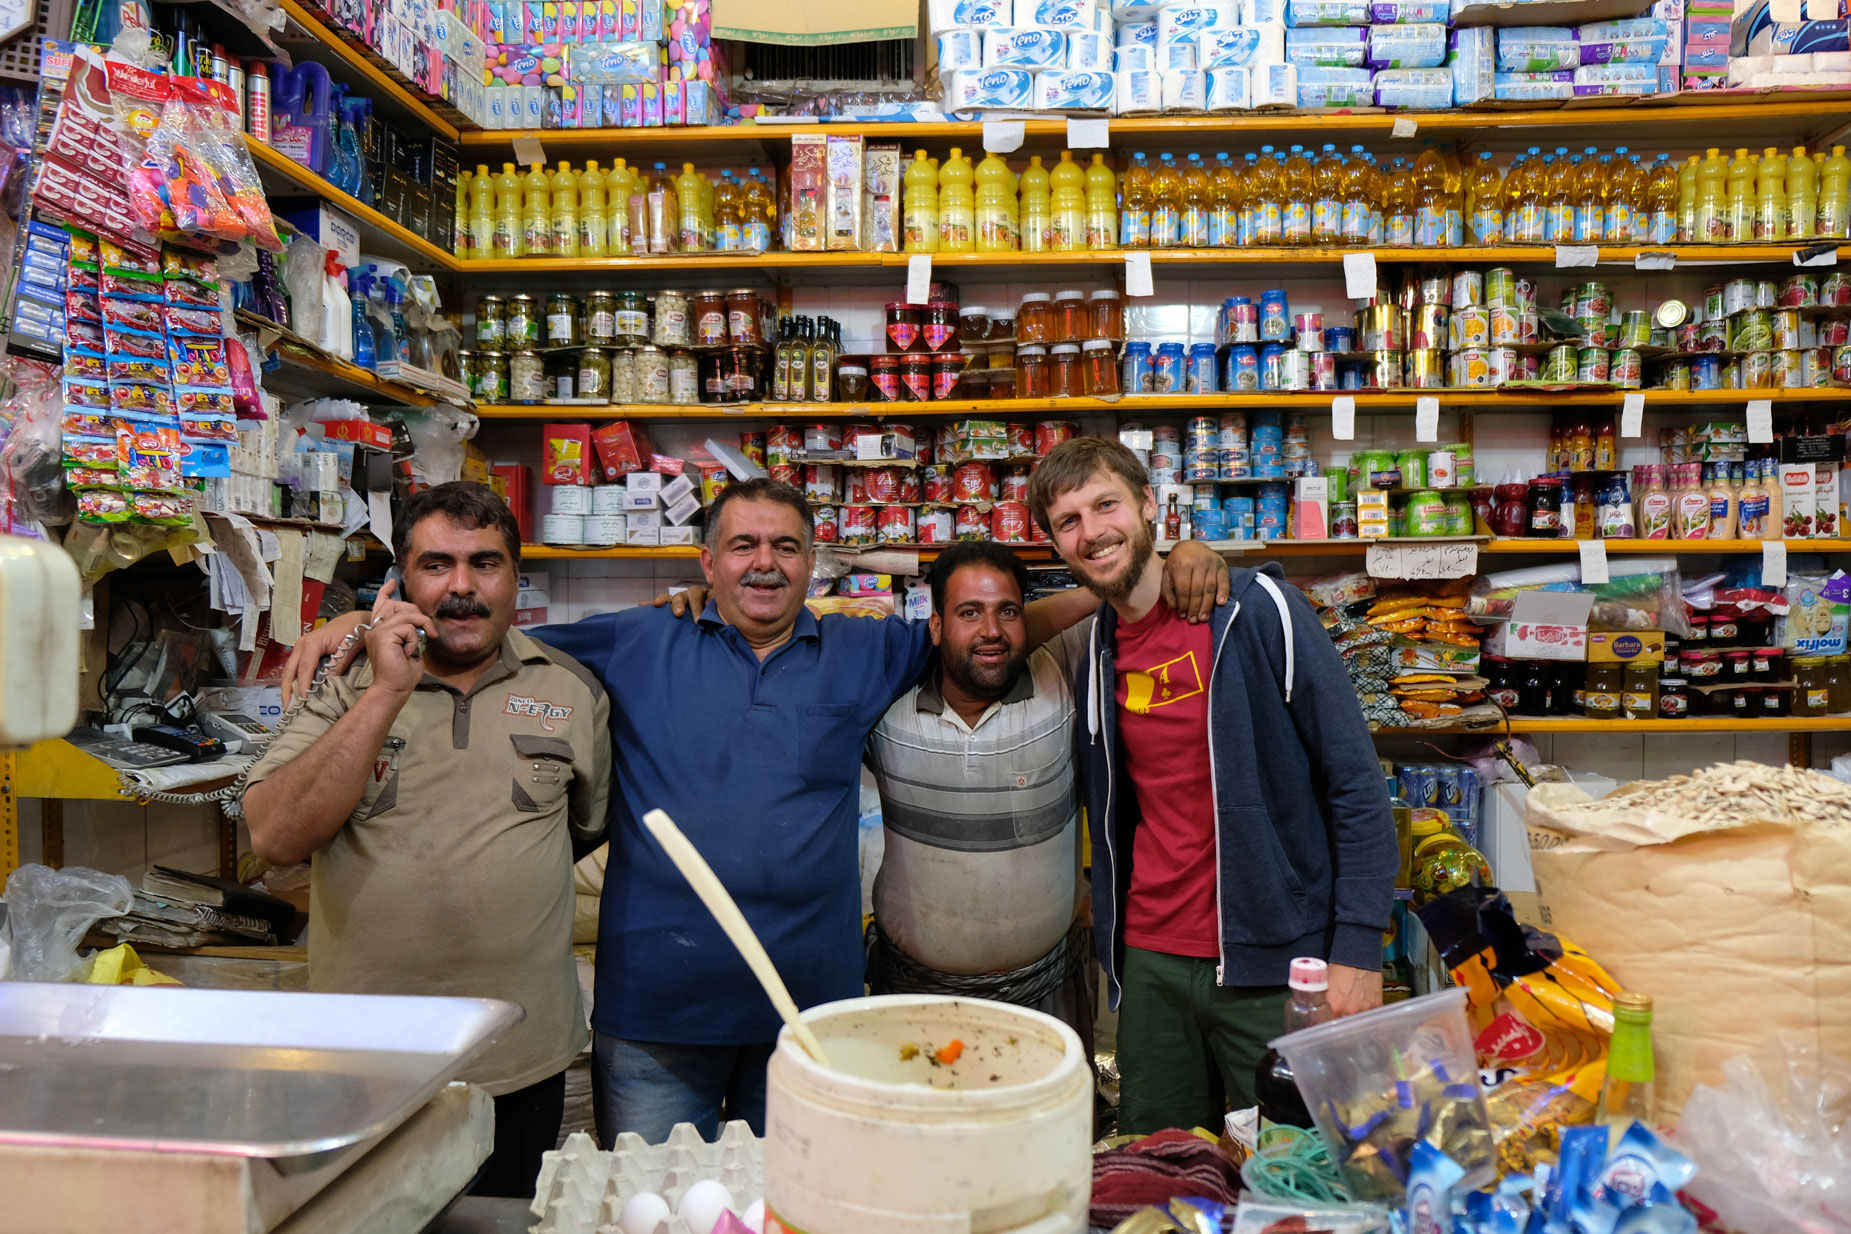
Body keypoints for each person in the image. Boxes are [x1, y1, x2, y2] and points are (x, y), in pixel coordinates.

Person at [284, 477, 1227, 1144]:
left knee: (800, 1209)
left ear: (815, 562)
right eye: (742, 546)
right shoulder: (638, 640)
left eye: (785, 547)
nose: (764, 565)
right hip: (656, 1018)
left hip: (809, 1015)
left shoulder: (866, 652)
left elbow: (1013, 621)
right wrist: (360, 621)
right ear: (707, 558)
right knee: (662, 1217)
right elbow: (476, 624)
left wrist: (1162, 562)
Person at [243, 481, 611, 1198]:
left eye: (486, 563)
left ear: (516, 577)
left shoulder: (571, 689)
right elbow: (275, 837)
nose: (463, 587)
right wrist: (384, 691)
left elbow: (580, 828)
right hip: (366, 1061)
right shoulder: (345, 681)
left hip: (522, 1057)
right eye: (437, 565)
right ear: (401, 582)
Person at [1025, 437, 1400, 1136]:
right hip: (1152, 962)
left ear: (1145, 505)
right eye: (1067, 521)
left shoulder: (1259, 611)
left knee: (1295, 1170)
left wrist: (1357, 948)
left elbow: (1354, 784)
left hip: (1275, 963)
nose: (1091, 531)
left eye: (1105, 504)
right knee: (1162, 1172)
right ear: (1054, 545)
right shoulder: (1094, 647)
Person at [861, 541, 1098, 1048]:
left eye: (1007, 612)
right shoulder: (883, 700)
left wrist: (1188, 553)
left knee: (1051, 1127)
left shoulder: (1064, 669)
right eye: (970, 612)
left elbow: (1135, 592)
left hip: (1048, 991)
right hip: (913, 994)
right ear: (937, 627)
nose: (991, 631)